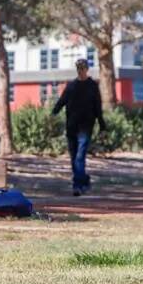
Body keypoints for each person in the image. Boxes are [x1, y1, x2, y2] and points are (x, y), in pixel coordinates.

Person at [51, 58, 107, 196]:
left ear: (87, 69)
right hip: (72, 126)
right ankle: (84, 180)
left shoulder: (92, 86)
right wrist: (53, 113)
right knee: (73, 157)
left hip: (86, 126)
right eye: (79, 68)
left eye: (83, 68)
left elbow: (98, 106)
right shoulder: (71, 86)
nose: (81, 70)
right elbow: (62, 101)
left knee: (80, 157)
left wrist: (102, 125)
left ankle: (77, 186)